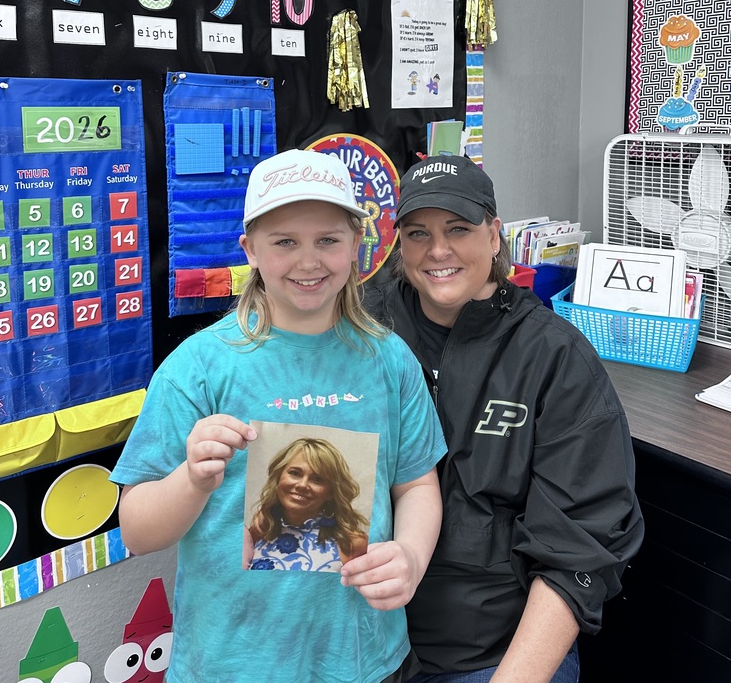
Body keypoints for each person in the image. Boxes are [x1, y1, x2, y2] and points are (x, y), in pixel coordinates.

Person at [111, 148, 446, 683]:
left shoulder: (389, 360)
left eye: (328, 240)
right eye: (285, 241)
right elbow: (138, 530)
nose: (308, 261)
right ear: (250, 250)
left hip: (366, 660)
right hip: (229, 664)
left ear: (358, 244)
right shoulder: (198, 368)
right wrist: (193, 479)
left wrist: (410, 555)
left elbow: (417, 485)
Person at [364, 155, 645, 683]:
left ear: (495, 236)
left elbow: (581, 544)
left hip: (494, 651)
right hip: (363, 641)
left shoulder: (556, 358)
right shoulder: (360, 328)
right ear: (398, 242)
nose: (438, 250)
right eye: (418, 232)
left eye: (459, 229)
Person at [243, 436, 369, 572]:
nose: (302, 485)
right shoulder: (261, 529)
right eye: (295, 473)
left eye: (317, 479)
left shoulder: (353, 544)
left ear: (331, 493)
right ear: (278, 477)